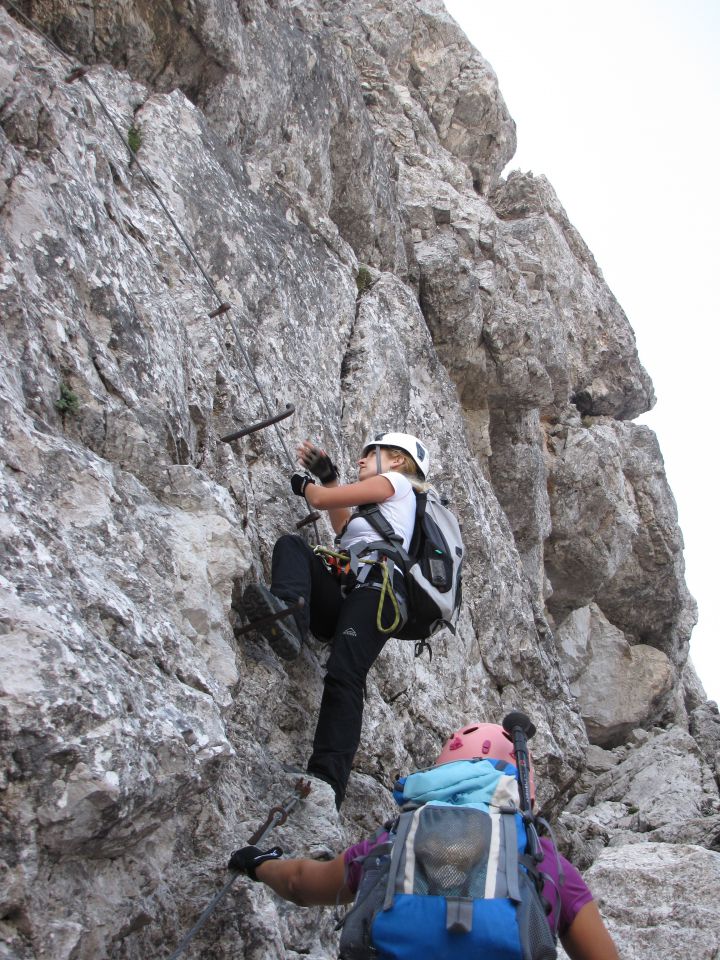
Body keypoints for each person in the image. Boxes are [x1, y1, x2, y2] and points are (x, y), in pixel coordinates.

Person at [228, 722, 620, 960]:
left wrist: (257, 863)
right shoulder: (540, 855)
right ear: (521, 783)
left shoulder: (397, 836)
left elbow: (300, 883)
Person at [235, 431, 431, 809]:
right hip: (348, 594)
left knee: (345, 674)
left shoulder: (396, 483)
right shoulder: (381, 507)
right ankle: (290, 614)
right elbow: (342, 531)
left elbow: (321, 502)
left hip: (377, 594)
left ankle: (329, 779)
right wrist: (328, 478)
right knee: (294, 545)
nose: (361, 459)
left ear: (397, 461)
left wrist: (310, 488)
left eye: (371, 453)